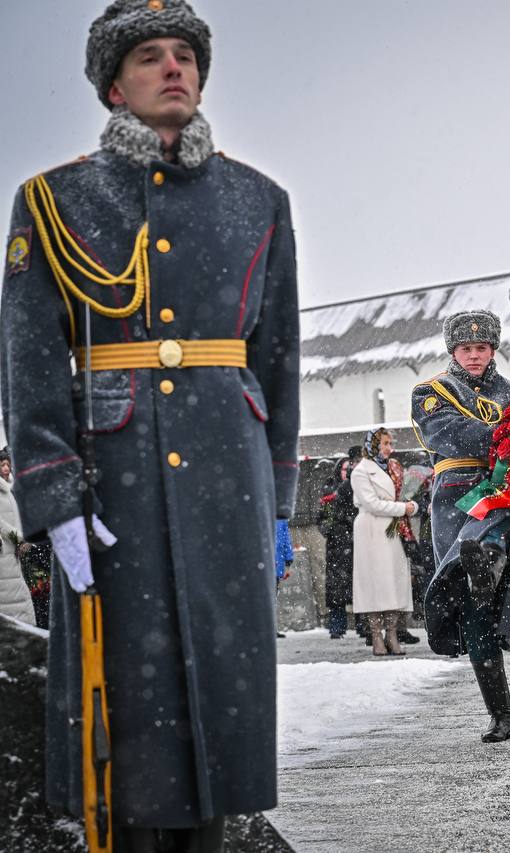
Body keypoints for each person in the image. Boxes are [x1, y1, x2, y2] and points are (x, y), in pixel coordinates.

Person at [0, 2, 300, 845]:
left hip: (226, 470)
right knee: (127, 720)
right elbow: (28, 364)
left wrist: (276, 496)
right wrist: (53, 498)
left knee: (226, 698)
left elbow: (275, 360)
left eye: (185, 55)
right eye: (149, 57)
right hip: (112, 482)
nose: (174, 69)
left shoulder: (258, 200)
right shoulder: (53, 201)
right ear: (112, 86)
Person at [412, 310, 510, 741]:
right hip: (457, 498)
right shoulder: (432, 390)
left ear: (492, 349)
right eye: (465, 348)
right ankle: (500, 713)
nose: (473, 356)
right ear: (452, 351)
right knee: (473, 601)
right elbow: (447, 432)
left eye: (481, 347)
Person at [351, 428, 417, 657]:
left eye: (391, 443)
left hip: (392, 527)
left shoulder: (394, 467)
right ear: (373, 445)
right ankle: (376, 635)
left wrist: (411, 506)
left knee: (394, 580)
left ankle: (392, 632)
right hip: (371, 528)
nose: (390, 448)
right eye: (386, 443)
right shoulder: (361, 472)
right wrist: (402, 508)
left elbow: (399, 496)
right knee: (374, 581)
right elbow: (371, 503)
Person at [320, 452, 359, 638]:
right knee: (336, 591)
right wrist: (331, 527)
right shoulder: (330, 491)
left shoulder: (357, 487)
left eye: (349, 468)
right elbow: (322, 519)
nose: (347, 471)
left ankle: (363, 626)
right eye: (344, 469)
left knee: (359, 587)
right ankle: (337, 626)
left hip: (355, 543)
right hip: (336, 546)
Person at [0, 447, 37, 624]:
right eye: (2, 465)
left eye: (8, 464)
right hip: (5, 552)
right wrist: (20, 538)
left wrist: (26, 540)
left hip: (16, 553)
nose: (6, 468)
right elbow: (2, 524)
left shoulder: (12, 489)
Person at [273, 518, 294, 639]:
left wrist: (288, 557)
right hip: (270, 559)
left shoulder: (280, 518)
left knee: (272, 596)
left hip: (276, 559)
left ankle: (271, 627)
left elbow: (286, 538)